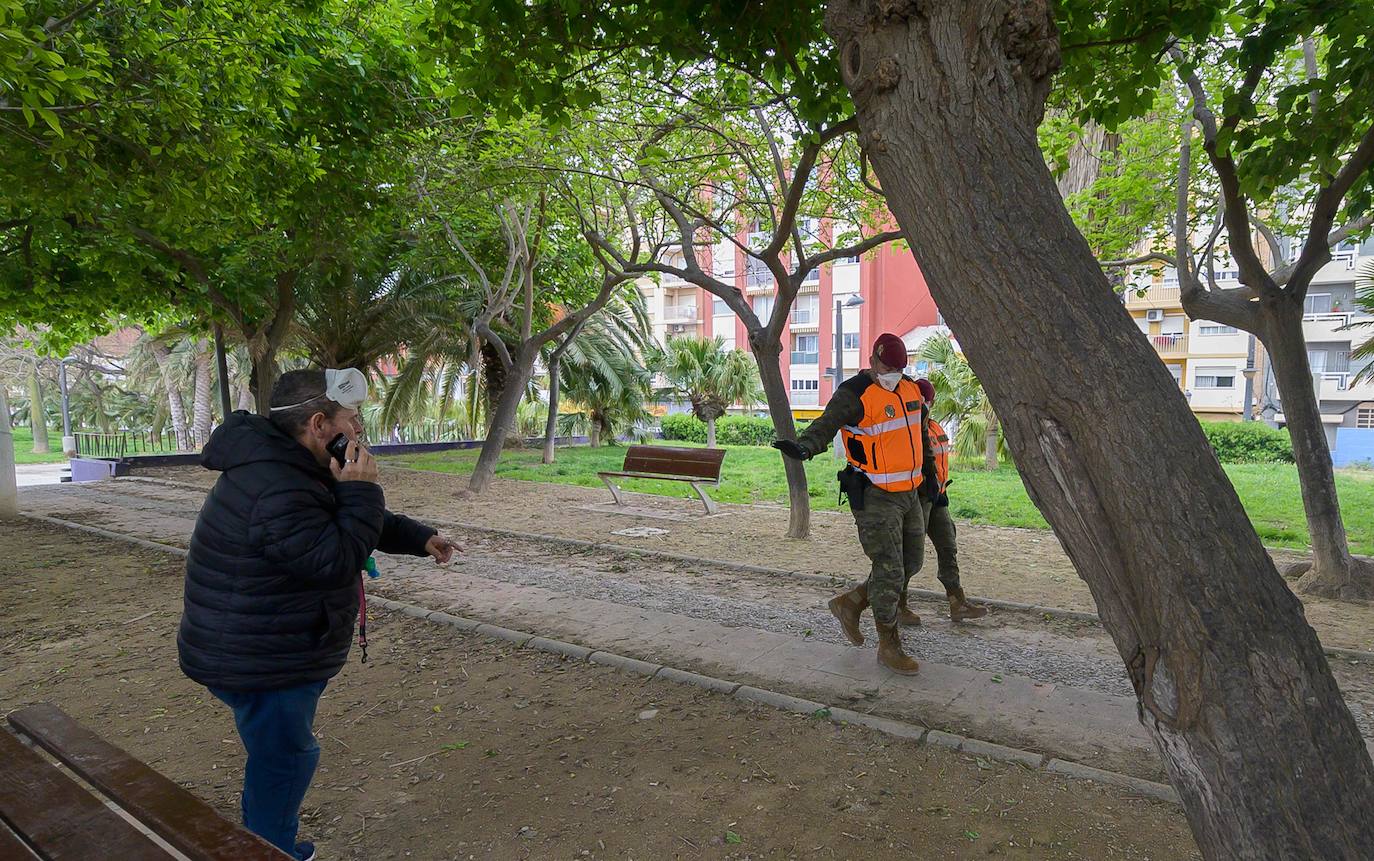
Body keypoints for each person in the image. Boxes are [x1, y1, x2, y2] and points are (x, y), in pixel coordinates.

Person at [177, 368, 460, 860]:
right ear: (319, 425)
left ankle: (262, 839)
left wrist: (417, 537)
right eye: (352, 418)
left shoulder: (287, 463)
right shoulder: (278, 486)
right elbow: (335, 558)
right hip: (263, 657)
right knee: (285, 759)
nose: (360, 428)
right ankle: (270, 850)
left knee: (277, 752)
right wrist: (364, 491)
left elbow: (341, 514)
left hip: (260, 639)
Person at [772, 333, 935, 675]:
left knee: (911, 564)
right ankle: (888, 645)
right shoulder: (855, 392)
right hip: (875, 495)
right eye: (888, 367)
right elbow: (827, 423)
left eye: (899, 368)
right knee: (890, 570)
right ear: (874, 360)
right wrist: (805, 447)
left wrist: (930, 481)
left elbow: (921, 437)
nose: (893, 373)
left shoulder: (910, 390)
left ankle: (853, 601)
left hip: (910, 493)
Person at [907, 378, 987, 623]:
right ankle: (897, 605)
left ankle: (957, 602)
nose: (925, 404)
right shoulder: (908, 431)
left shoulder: (935, 427)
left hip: (938, 497)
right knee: (909, 557)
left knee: (948, 547)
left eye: (927, 400)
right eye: (921, 400)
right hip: (918, 500)